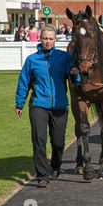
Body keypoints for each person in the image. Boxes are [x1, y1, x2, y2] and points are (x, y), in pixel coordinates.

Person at [15, 24, 80, 188]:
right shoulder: (32, 60)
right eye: (45, 38)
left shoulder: (63, 57)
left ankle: (56, 166)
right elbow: (23, 82)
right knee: (39, 141)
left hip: (60, 106)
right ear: (40, 39)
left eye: (51, 39)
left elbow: (74, 79)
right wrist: (19, 103)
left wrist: (76, 75)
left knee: (58, 143)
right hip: (38, 105)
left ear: (55, 40)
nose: (48, 41)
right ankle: (42, 176)